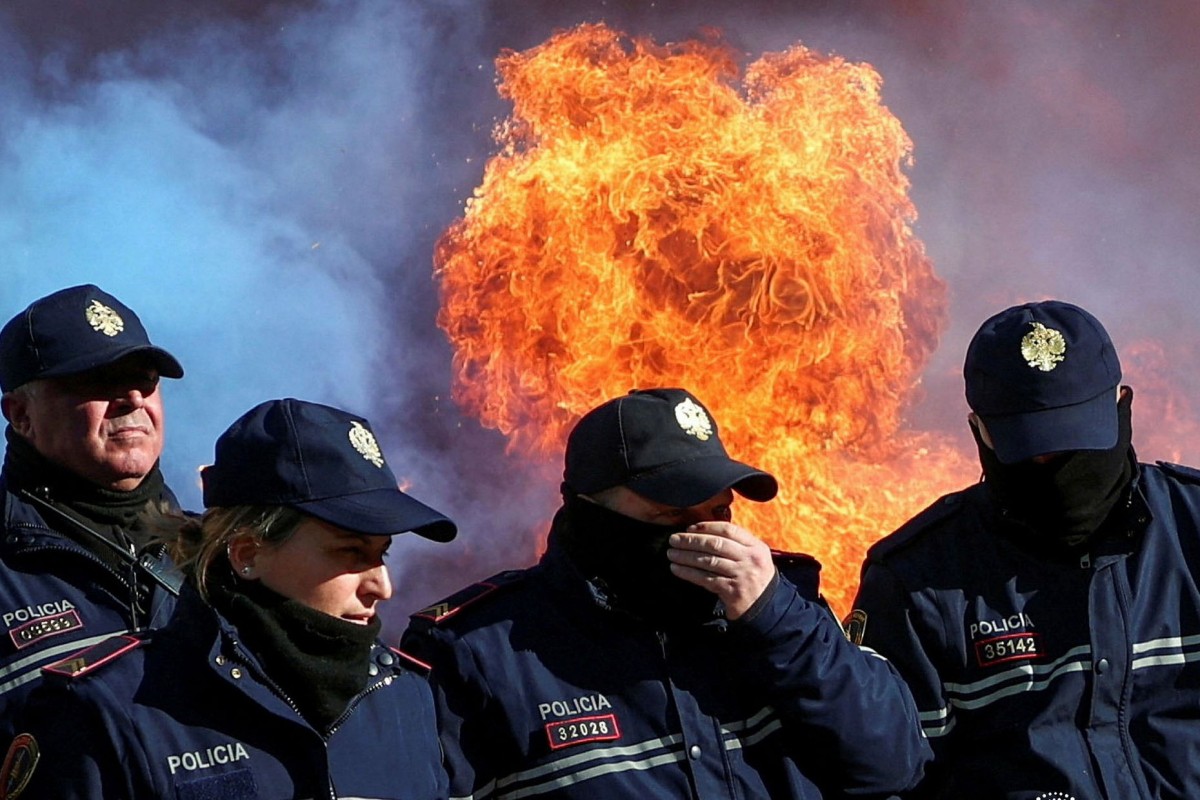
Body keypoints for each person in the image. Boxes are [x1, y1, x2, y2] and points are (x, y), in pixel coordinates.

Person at [402, 387, 931, 799]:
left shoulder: (782, 608)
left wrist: (777, 622)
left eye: (719, 514)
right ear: (591, 512)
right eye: (673, 518)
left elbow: (893, 765)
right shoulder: (478, 649)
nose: (708, 538)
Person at [1, 398, 457, 799]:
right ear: (247, 554)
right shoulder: (108, 710)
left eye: (382, 554)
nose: (382, 586)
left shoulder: (408, 698)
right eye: (351, 552)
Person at [849, 299, 1200, 799]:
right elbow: (892, 776)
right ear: (980, 433)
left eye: (1077, 445)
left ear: (1122, 406)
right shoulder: (917, 581)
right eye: (1033, 451)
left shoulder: (1193, 527)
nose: (1056, 467)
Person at [0, 284, 185, 724]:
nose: (133, 399)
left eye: (145, 380)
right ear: (21, 414)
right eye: (98, 381)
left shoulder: (220, 558)